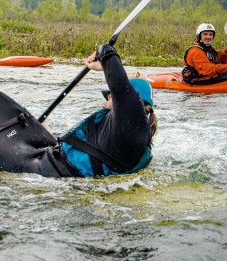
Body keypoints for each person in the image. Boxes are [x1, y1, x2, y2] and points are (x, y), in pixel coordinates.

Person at [56, 43, 158, 177]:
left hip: (56, 171)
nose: (104, 104)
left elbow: (107, 53)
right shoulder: (128, 133)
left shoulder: (131, 122)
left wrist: (101, 55)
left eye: (110, 97)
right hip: (58, 166)